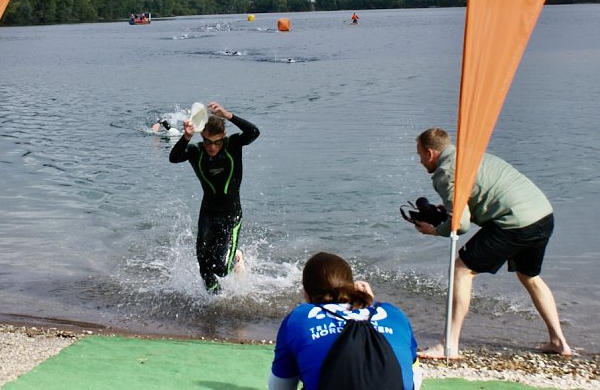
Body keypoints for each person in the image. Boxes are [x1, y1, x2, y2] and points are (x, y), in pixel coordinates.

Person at [413, 127, 570, 358]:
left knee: (461, 270)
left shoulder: (444, 173)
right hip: (543, 215)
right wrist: (449, 212)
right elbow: (482, 194)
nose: (420, 161)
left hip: (514, 223)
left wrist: (436, 230)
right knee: (530, 276)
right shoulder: (473, 155)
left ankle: (449, 345)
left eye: (419, 155)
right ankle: (559, 342)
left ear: (429, 153)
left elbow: (462, 224)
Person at [269, 252, 420, 390]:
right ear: (351, 285)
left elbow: (280, 386)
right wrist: (370, 303)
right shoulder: (393, 313)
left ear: (307, 294)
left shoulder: (300, 317)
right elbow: (413, 376)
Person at [169, 101, 259, 292]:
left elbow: (253, 132)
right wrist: (186, 136)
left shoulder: (233, 145)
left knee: (221, 268)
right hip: (208, 214)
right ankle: (214, 303)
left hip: (231, 215)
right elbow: (174, 158)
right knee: (204, 268)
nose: (212, 147)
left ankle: (237, 258)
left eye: (217, 142)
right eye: (208, 142)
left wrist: (227, 115)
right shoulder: (196, 152)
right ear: (202, 137)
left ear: (223, 137)